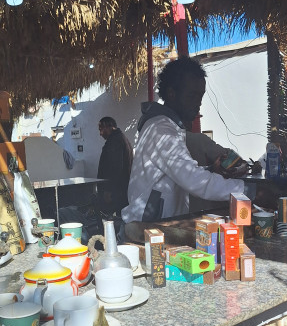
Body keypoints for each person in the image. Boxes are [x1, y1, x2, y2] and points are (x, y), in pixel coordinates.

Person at [122, 57, 257, 223]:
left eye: (200, 96)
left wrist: (210, 170)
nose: (198, 103)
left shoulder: (167, 127)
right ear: (171, 94)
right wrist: (249, 191)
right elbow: (194, 180)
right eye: (192, 96)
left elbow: (177, 172)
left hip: (160, 223)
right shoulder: (162, 131)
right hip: (146, 227)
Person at [97, 116, 133, 216]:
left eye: (101, 129)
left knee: (117, 218)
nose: (100, 133)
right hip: (122, 189)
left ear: (108, 127)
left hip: (116, 191)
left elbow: (115, 168)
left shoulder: (115, 141)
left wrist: (108, 190)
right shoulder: (121, 138)